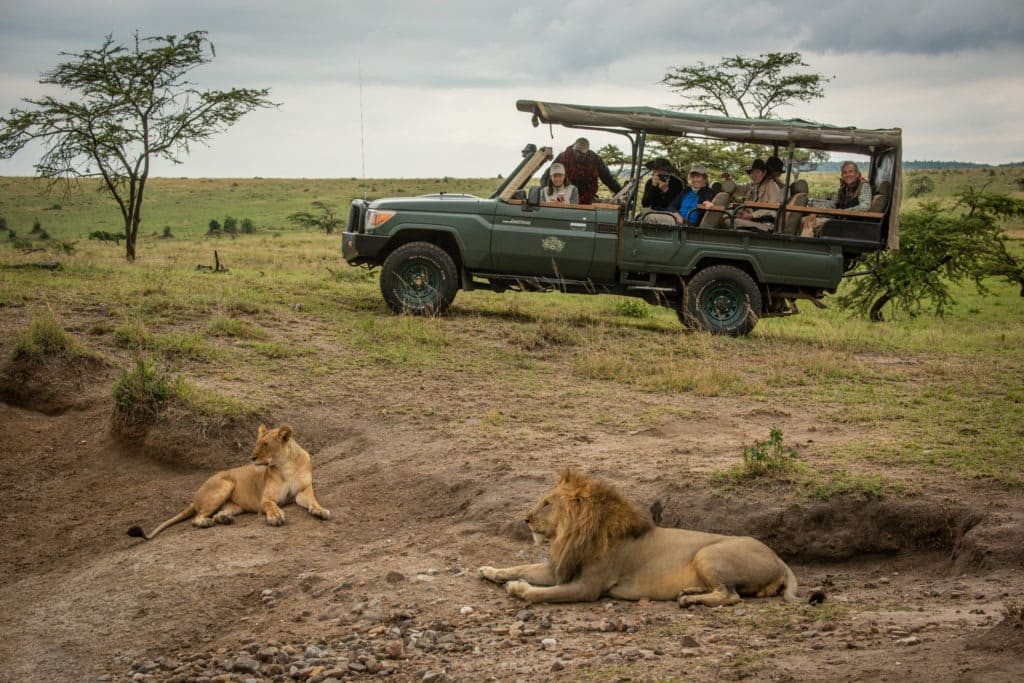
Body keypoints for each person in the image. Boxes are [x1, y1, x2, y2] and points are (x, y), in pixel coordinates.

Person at [801, 160, 872, 236]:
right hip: (840, 220)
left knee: (809, 224)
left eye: (851, 172)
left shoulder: (864, 186)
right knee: (805, 220)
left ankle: (801, 245)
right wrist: (815, 212)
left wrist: (843, 211)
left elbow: (864, 207)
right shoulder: (843, 189)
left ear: (857, 174)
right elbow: (831, 205)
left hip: (852, 224)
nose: (847, 174)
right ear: (842, 175)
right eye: (845, 172)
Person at [548, 137, 622, 204]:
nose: (577, 155)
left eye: (581, 153)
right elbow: (548, 176)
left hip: (587, 198)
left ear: (587, 152)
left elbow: (608, 179)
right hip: (565, 197)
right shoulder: (564, 157)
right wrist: (548, 195)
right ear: (573, 148)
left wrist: (621, 192)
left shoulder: (595, 160)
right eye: (576, 151)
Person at [733, 158, 782, 231]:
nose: (754, 175)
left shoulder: (771, 185)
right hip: (753, 221)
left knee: (734, 222)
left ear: (764, 173)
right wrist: (744, 213)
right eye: (752, 172)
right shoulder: (754, 186)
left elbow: (773, 208)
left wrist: (752, 215)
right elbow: (739, 190)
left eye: (757, 172)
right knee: (729, 219)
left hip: (766, 224)